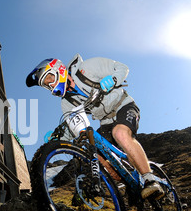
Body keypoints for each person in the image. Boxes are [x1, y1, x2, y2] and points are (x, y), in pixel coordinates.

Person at [26, 54, 164, 200]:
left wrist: (113, 79)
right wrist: (58, 137)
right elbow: (76, 126)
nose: (51, 86)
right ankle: (131, 185)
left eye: (50, 79)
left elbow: (122, 68)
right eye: (47, 85)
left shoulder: (87, 68)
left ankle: (150, 180)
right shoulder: (66, 102)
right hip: (105, 122)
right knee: (96, 155)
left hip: (123, 106)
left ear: (59, 69)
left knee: (120, 134)